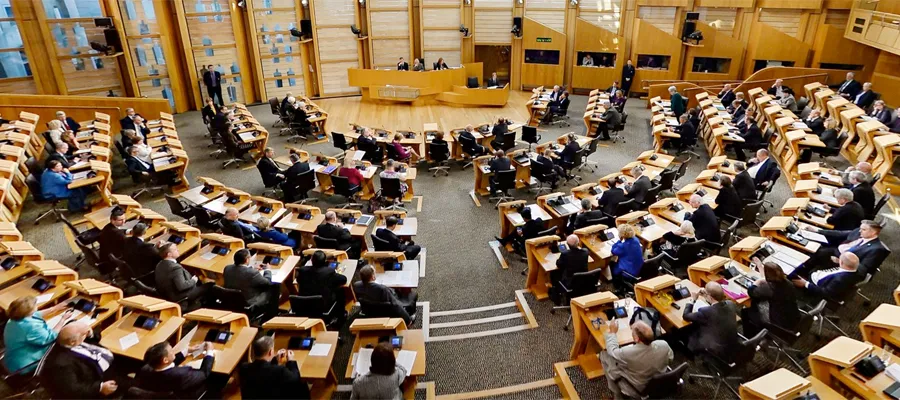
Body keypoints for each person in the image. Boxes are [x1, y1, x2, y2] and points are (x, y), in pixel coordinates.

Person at [41, 322, 124, 398]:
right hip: (101, 378)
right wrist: (100, 388)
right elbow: (73, 389)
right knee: (132, 385)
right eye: (84, 334)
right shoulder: (62, 365)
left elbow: (93, 338)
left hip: (112, 360)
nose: (86, 335)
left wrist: (90, 334)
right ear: (73, 342)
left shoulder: (73, 338)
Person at [600, 320, 673, 400]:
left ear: (637, 339)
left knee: (603, 355)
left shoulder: (628, 353)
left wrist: (612, 332)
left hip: (636, 389)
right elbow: (670, 359)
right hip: (659, 384)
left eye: (632, 331)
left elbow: (612, 351)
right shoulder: (663, 344)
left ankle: (617, 397)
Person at [4, 296, 73, 374]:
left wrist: (55, 308)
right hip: (24, 364)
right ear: (29, 311)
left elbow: (36, 314)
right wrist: (63, 319)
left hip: (11, 356)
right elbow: (50, 337)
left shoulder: (14, 318)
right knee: (64, 342)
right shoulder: (31, 326)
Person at [806, 220, 890, 276]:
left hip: (843, 264)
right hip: (837, 252)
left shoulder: (876, 249)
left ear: (873, 232)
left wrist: (841, 261)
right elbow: (840, 233)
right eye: (860, 228)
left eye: (863, 230)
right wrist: (818, 231)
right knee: (815, 252)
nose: (860, 231)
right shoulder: (860, 232)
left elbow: (863, 269)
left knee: (813, 272)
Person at [136, 341, 214, 399]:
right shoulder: (182, 374)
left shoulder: (145, 369)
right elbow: (204, 373)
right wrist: (209, 351)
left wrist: (187, 351)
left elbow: (167, 364)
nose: (173, 351)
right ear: (165, 360)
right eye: (171, 351)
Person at [239, 336, 309, 399]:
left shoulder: (244, 367)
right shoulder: (280, 370)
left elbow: (263, 369)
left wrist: (275, 360)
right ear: (270, 352)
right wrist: (290, 361)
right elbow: (295, 379)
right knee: (302, 386)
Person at [682, 282, 739, 360]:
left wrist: (693, 299)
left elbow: (686, 316)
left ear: (711, 297)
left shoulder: (705, 312)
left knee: (690, 328)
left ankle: (691, 353)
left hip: (717, 348)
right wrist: (707, 295)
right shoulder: (731, 304)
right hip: (734, 343)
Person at [742, 260, 800, 336]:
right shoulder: (787, 282)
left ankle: (753, 337)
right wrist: (760, 266)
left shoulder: (769, 288)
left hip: (779, 323)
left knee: (747, 310)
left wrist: (756, 283)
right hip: (794, 316)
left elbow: (751, 292)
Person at [353, 265, 418, 323]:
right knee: (413, 295)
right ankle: (411, 315)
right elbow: (396, 305)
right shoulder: (382, 289)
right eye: (374, 273)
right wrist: (408, 320)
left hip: (370, 311)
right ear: (373, 277)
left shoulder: (356, 285)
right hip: (387, 312)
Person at [791, 252, 862, 301]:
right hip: (819, 275)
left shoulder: (840, 280)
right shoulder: (854, 270)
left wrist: (805, 284)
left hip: (813, 288)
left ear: (842, 263)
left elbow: (825, 293)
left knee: (791, 275)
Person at [553, 235, 589, 300]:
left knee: (555, 274)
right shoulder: (585, 252)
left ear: (567, 245)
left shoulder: (565, 254)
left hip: (570, 282)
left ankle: (557, 292)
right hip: (585, 279)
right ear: (578, 243)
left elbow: (559, 264)